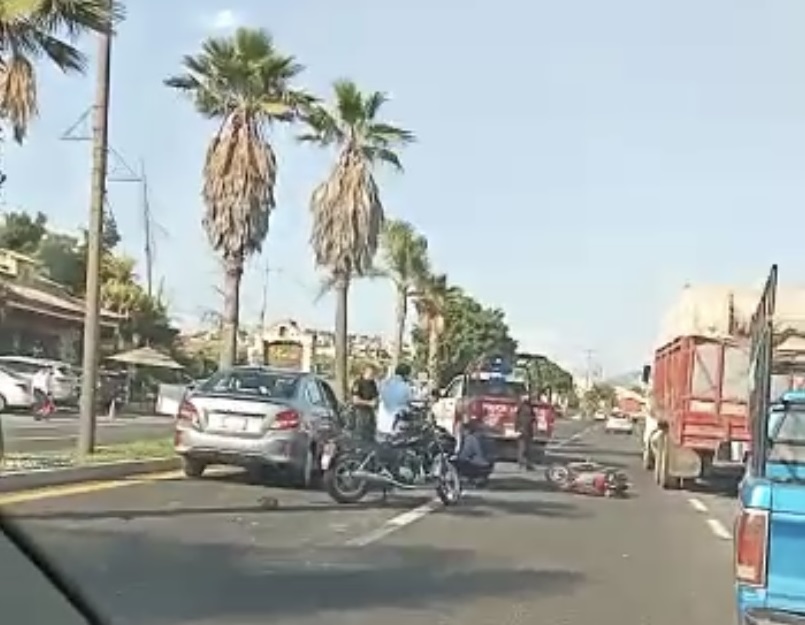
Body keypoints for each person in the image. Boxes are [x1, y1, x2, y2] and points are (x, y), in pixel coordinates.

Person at [376, 363, 414, 441]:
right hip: (398, 422)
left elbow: (380, 396)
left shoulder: (384, 383)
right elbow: (409, 400)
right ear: (406, 374)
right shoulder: (405, 386)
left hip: (381, 423)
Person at [350, 364, 379, 440]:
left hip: (370, 413)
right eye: (371, 373)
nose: (373, 375)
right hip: (360, 413)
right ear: (365, 372)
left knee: (370, 435)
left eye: (374, 373)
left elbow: (375, 396)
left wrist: (376, 402)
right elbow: (355, 400)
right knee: (360, 436)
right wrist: (369, 403)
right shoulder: (358, 383)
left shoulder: (372, 383)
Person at [515, 395, 535, 470]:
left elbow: (517, 420)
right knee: (525, 448)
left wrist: (517, 429)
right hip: (525, 430)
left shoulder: (521, 408)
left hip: (524, 430)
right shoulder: (527, 408)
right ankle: (525, 464)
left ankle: (523, 463)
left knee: (523, 448)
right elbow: (532, 419)